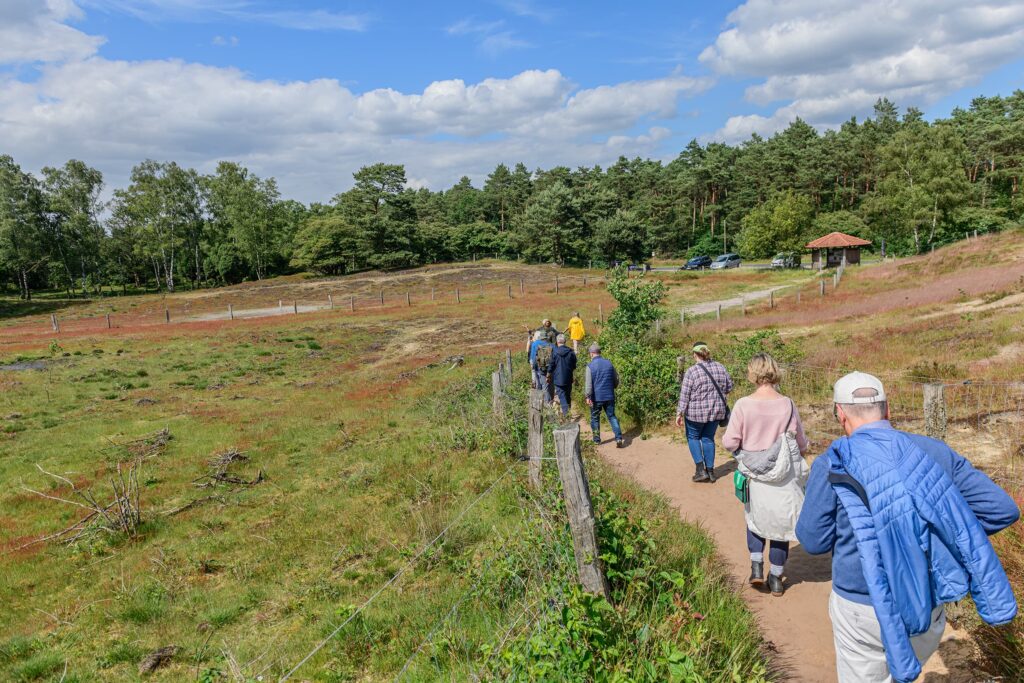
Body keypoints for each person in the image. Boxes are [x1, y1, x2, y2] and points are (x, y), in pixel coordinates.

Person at [796, 371, 1020, 683]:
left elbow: (814, 541)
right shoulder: (935, 452)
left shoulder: (832, 463)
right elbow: (1001, 510)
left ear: (840, 414)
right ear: (888, 410)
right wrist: (944, 532)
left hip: (859, 603)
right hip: (924, 600)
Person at [722, 353, 809, 597]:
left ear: (752, 373)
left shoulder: (743, 405)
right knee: (780, 525)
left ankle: (757, 567)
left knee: (755, 519)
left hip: (754, 475)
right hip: (783, 476)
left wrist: (744, 452)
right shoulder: (788, 404)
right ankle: (777, 577)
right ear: (774, 371)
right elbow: (800, 442)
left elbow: (730, 442)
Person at [675, 342, 733, 483]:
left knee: (693, 437)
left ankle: (701, 471)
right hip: (716, 412)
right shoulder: (720, 367)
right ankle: (711, 472)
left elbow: (685, 394)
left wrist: (679, 413)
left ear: (695, 354)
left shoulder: (692, 371)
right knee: (708, 438)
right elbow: (729, 386)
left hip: (695, 414)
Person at [584, 343, 623, 448]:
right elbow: (616, 379)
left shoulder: (590, 366)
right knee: (612, 416)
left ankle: (597, 440)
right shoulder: (609, 363)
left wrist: (587, 396)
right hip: (609, 395)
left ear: (591, 354)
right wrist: (613, 387)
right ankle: (619, 437)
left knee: (595, 418)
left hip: (596, 398)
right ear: (599, 352)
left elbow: (588, 384)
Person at [547, 334, 577, 418]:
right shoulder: (571, 352)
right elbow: (574, 365)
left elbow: (551, 365)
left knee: (562, 397)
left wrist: (548, 375)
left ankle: (567, 416)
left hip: (558, 379)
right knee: (567, 396)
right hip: (568, 378)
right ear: (565, 341)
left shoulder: (554, 352)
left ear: (557, 342)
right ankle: (568, 412)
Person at [529, 331, 554, 401]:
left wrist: (534, 367)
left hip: (540, 368)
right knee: (550, 384)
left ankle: (544, 402)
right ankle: (550, 400)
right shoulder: (552, 345)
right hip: (551, 368)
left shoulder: (535, 344)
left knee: (541, 385)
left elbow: (533, 358)